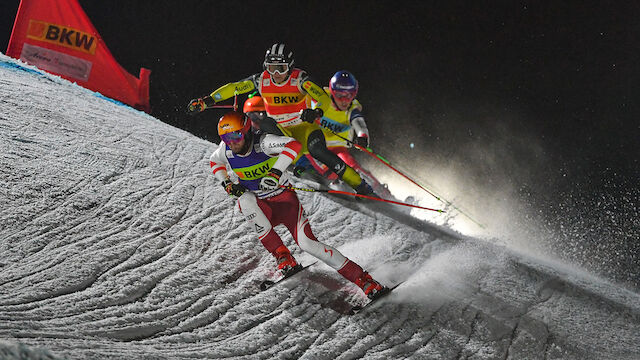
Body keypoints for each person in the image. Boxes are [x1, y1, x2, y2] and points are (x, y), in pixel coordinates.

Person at [209, 111, 386, 299]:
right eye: (225, 138)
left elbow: (294, 144)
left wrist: (275, 173)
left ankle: (365, 281)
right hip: (261, 205)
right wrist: (226, 183)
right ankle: (283, 257)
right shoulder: (226, 149)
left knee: (308, 244)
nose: (232, 142)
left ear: (245, 130)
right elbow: (215, 161)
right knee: (244, 199)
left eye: (235, 135)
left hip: (285, 202)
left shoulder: (264, 142)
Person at [188, 43, 375, 196]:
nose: (276, 74)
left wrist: (316, 112)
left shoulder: (300, 79)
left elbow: (324, 98)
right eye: (271, 68)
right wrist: (208, 100)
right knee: (267, 126)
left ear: (290, 67)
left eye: (281, 69)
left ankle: (363, 187)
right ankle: (309, 175)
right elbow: (234, 87)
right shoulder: (261, 80)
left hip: (304, 126)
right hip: (281, 129)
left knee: (319, 151)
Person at [299, 71, 391, 197]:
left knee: (351, 165)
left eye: (349, 95)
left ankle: (385, 195)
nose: (344, 100)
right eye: (339, 95)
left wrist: (362, 137)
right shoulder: (321, 98)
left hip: (338, 149)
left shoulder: (352, 108)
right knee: (323, 166)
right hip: (315, 146)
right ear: (332, 92)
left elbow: (359, 123)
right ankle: (336, 188)